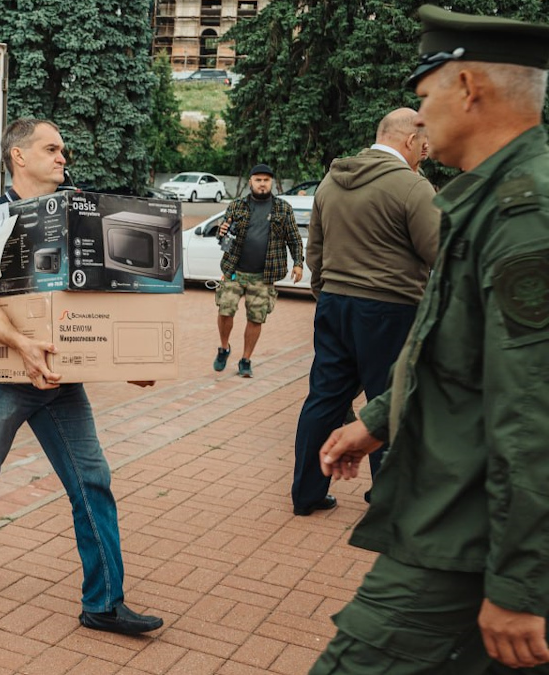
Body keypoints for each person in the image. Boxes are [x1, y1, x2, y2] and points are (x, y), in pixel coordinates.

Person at [312, 6, 549, 673]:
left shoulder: (526, 215)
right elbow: (451, 343)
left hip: (470, 524)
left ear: (469, 88)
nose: (421, 120)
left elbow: (532, 410)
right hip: (470, 511)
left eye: (425, 99)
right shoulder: (486, 198)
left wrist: (519, 584)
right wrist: (376, 420)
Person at [0, 118, 164, 635]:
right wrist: (22, 345)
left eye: (63, 150)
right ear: (19, 156)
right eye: (51, 148)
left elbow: (102, 294)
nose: (62, 156)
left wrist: (132, 360)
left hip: (62, 378)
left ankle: (103, 602)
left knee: (91, 482)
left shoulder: (77, 214)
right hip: (6, 375)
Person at [290, 109, 440, 517]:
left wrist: (328, 297)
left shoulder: (330, 182)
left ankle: (306, 493)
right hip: (390, 309)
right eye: (423, 146)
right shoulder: (411, 187)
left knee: (323, 399)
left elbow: (314, 252)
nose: (425, 152)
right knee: (389, 399)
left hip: (335, 305)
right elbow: (440, 253)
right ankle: (388, 499)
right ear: (409, 141)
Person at [213, 164, 304, 378]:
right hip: (234, 270)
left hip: (264, 276)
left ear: (271, 182)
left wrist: (298, 263)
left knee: (256, 318)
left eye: (266, 180)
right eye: (258, 180)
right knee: (225, 309)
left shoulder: (283, 208)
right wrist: (221, 231)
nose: (262, 183)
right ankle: (224, 347)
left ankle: (246, 359)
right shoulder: (236, 206)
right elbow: (222, 238)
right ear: (250, 182)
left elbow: (294, 239)